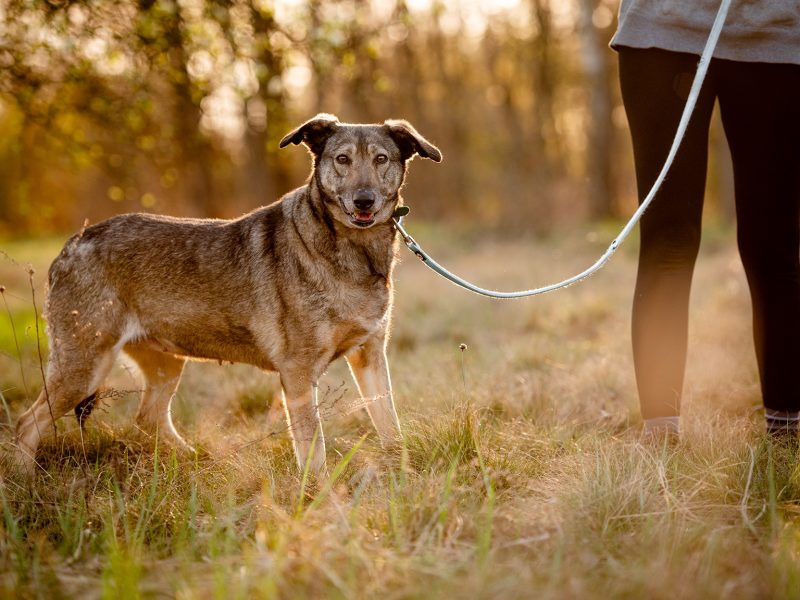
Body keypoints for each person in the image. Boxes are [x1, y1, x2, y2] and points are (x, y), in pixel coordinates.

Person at [610, 1, 800, 436]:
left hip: (776, 35)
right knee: (668, 243)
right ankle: (660, 438)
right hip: (661, 30)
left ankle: (787, 436)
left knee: (774, 248)